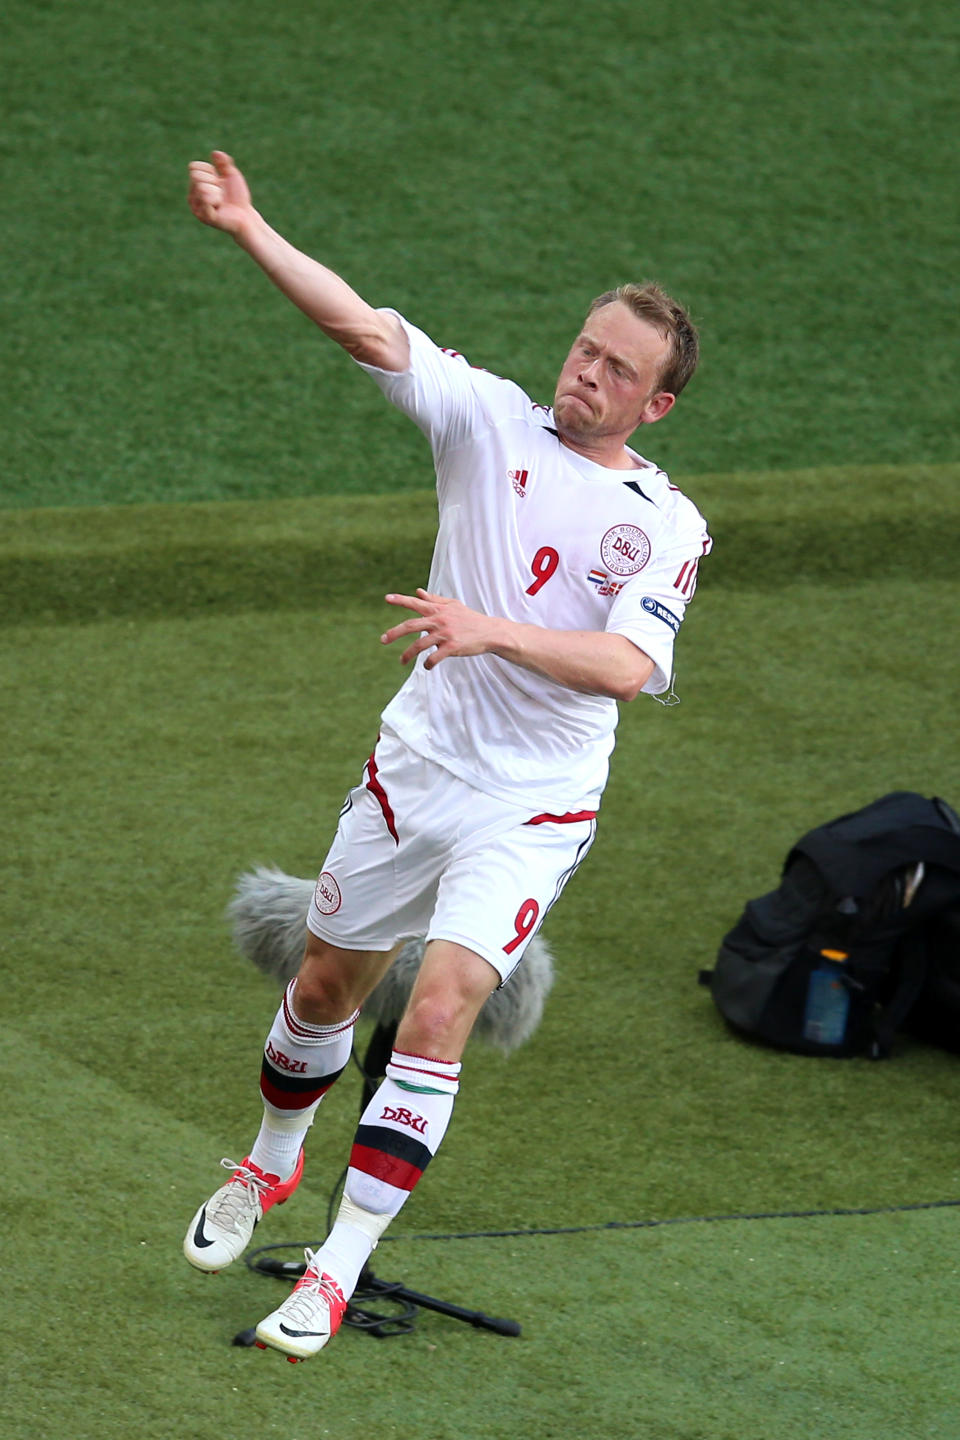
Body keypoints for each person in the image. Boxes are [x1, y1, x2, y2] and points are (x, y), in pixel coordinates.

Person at [182, 151, 712, 1361]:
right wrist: (251, 228)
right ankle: (265, 1170)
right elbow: (362, 326)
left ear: (656, 404)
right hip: (413, 770)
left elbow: (630, 669)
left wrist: (489, 630)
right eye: (586, 348)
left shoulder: (667, 526)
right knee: (323, 989)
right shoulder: (488, 419)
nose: (587, 372)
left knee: (437, 1013)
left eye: (617, 369)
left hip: (532, 806)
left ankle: (334, 1268)